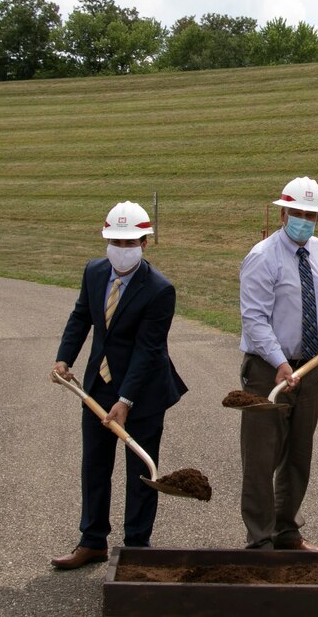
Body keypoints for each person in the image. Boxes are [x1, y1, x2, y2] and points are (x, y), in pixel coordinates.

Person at [50, 201, 188, 569]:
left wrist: (126, 400)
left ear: (144, 243)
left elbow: (148, 350)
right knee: (94, 466)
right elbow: (82, 316)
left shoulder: (160, 289)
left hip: (143, 392)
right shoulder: (94, 272)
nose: (121, 250)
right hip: (100, 384)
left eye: (130, 243)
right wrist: (65, 358)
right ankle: (92, 540)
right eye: (116, 241)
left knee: (140, 472)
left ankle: (136, 547)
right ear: (106, 238)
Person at [238, 176, 318, 551]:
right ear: (282, 212)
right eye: (298, 213)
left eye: (311, 215)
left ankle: (286, 530)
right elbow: (255, 320)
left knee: (298, 453)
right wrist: (279, 363)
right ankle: (259, 539)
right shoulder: (262, 257)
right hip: (268, 370)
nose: (304, 220)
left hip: (311, 366)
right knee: (262, 455)